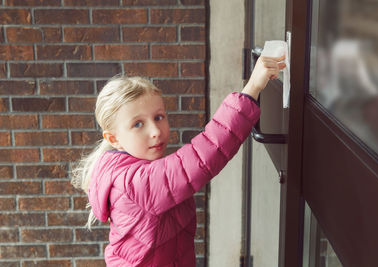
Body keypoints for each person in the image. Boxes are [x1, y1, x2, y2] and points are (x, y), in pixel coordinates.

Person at [71, 55, 286, 266]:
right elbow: (203, 155)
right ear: (114, 138)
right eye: (138, 124)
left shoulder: (127, 169)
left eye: (159, 117)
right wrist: (252, 89)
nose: (155, 131)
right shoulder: (134, 182)